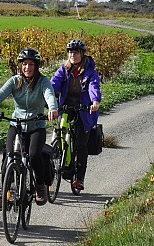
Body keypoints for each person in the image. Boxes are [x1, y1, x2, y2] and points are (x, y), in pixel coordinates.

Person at [0, 48, 58, 207]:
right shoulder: (15, 81)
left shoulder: (43, 81)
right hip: (16, 124)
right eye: (24, 64)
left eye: (31, 64)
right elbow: (0, 95)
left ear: (36, 66)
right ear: (20, 66)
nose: (27, 68)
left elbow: (49, 95)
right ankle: (5, 192)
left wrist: (52, 109)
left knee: (34, 154)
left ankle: (40, 186)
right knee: (9, 156)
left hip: (36, 125)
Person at [50, 39, 101, 190]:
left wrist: (95, 101)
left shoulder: (90, 72)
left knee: (80, 144)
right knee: (59, 131)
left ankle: (79, 178)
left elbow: (93, 87)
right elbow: (53, 83)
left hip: (83, 109)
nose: (73, 54)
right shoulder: (64, 69)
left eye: (76, 52)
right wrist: (47, 95)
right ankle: (59, 156)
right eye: (70, 52)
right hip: (65, 107)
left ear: (82, 54)